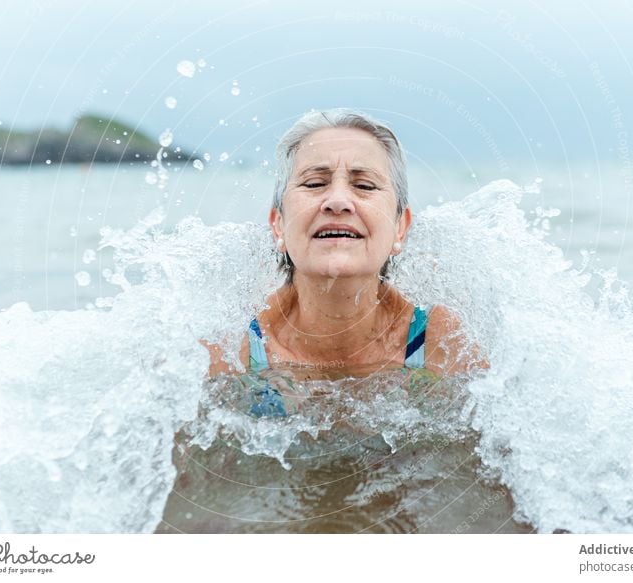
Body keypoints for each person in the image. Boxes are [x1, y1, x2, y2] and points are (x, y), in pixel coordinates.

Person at [201, 108, 488, 391]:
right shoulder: (226, 351)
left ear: (400, 227)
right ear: (278, 225)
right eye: (314, 183)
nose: (337, 201)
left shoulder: (449, 346)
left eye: (364, 185)